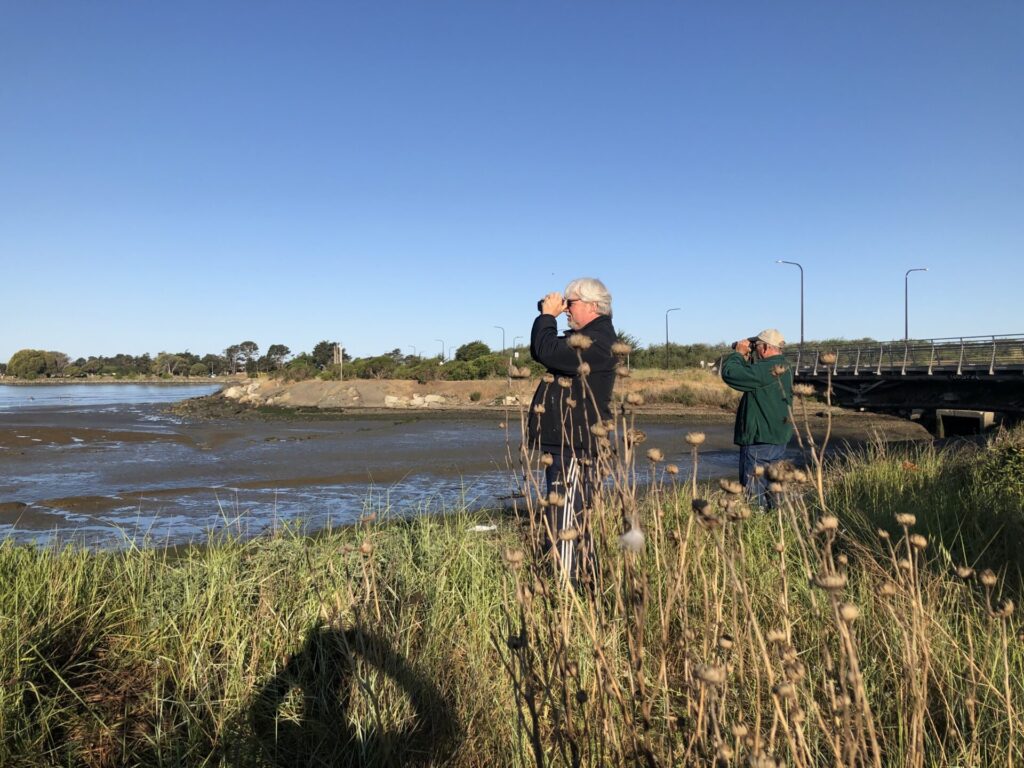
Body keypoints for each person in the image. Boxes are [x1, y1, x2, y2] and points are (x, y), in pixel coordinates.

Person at [529, 277, 617, 588]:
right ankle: (577, 584)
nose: (567, 309)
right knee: (566, 516)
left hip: (577, 444)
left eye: (571, 303)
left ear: (594, 306)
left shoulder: (598, 341)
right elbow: (546, 348)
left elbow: (546, 351)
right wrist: (548, 317)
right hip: (567, 442)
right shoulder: (588, 337)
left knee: (568, 520)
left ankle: (569, 594)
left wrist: (547, 317)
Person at [721, 328, 794, 508]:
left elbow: (731, 374)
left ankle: (755, 524)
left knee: (754, 490)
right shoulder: (782, 365)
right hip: (776, 437)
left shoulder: (768, 368)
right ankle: (777, 526)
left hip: (760, 439)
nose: (755, 349)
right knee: (774, 487)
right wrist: (747, 359)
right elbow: (753, 379)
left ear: (766, 348)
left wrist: (738, 354)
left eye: (757, 346)